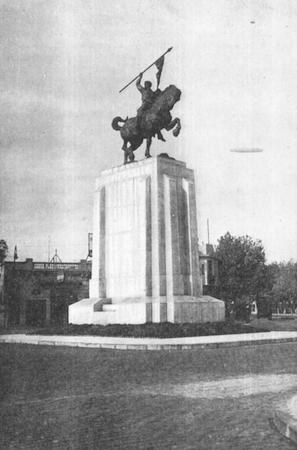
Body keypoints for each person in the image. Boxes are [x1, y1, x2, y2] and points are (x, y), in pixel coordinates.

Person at [136, 73, 165, 142]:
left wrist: (158, 92)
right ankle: (137, 125)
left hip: (150, 106)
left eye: (148, 85)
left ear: (149, 86)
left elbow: (157, 97)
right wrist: (140, 77)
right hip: (144, 105)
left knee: (156, 117)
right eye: (146, 85)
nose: (147, 86)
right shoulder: (143, 90)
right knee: (139, 111)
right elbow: (137, 84)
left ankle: (159, 133)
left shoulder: (152, 92)